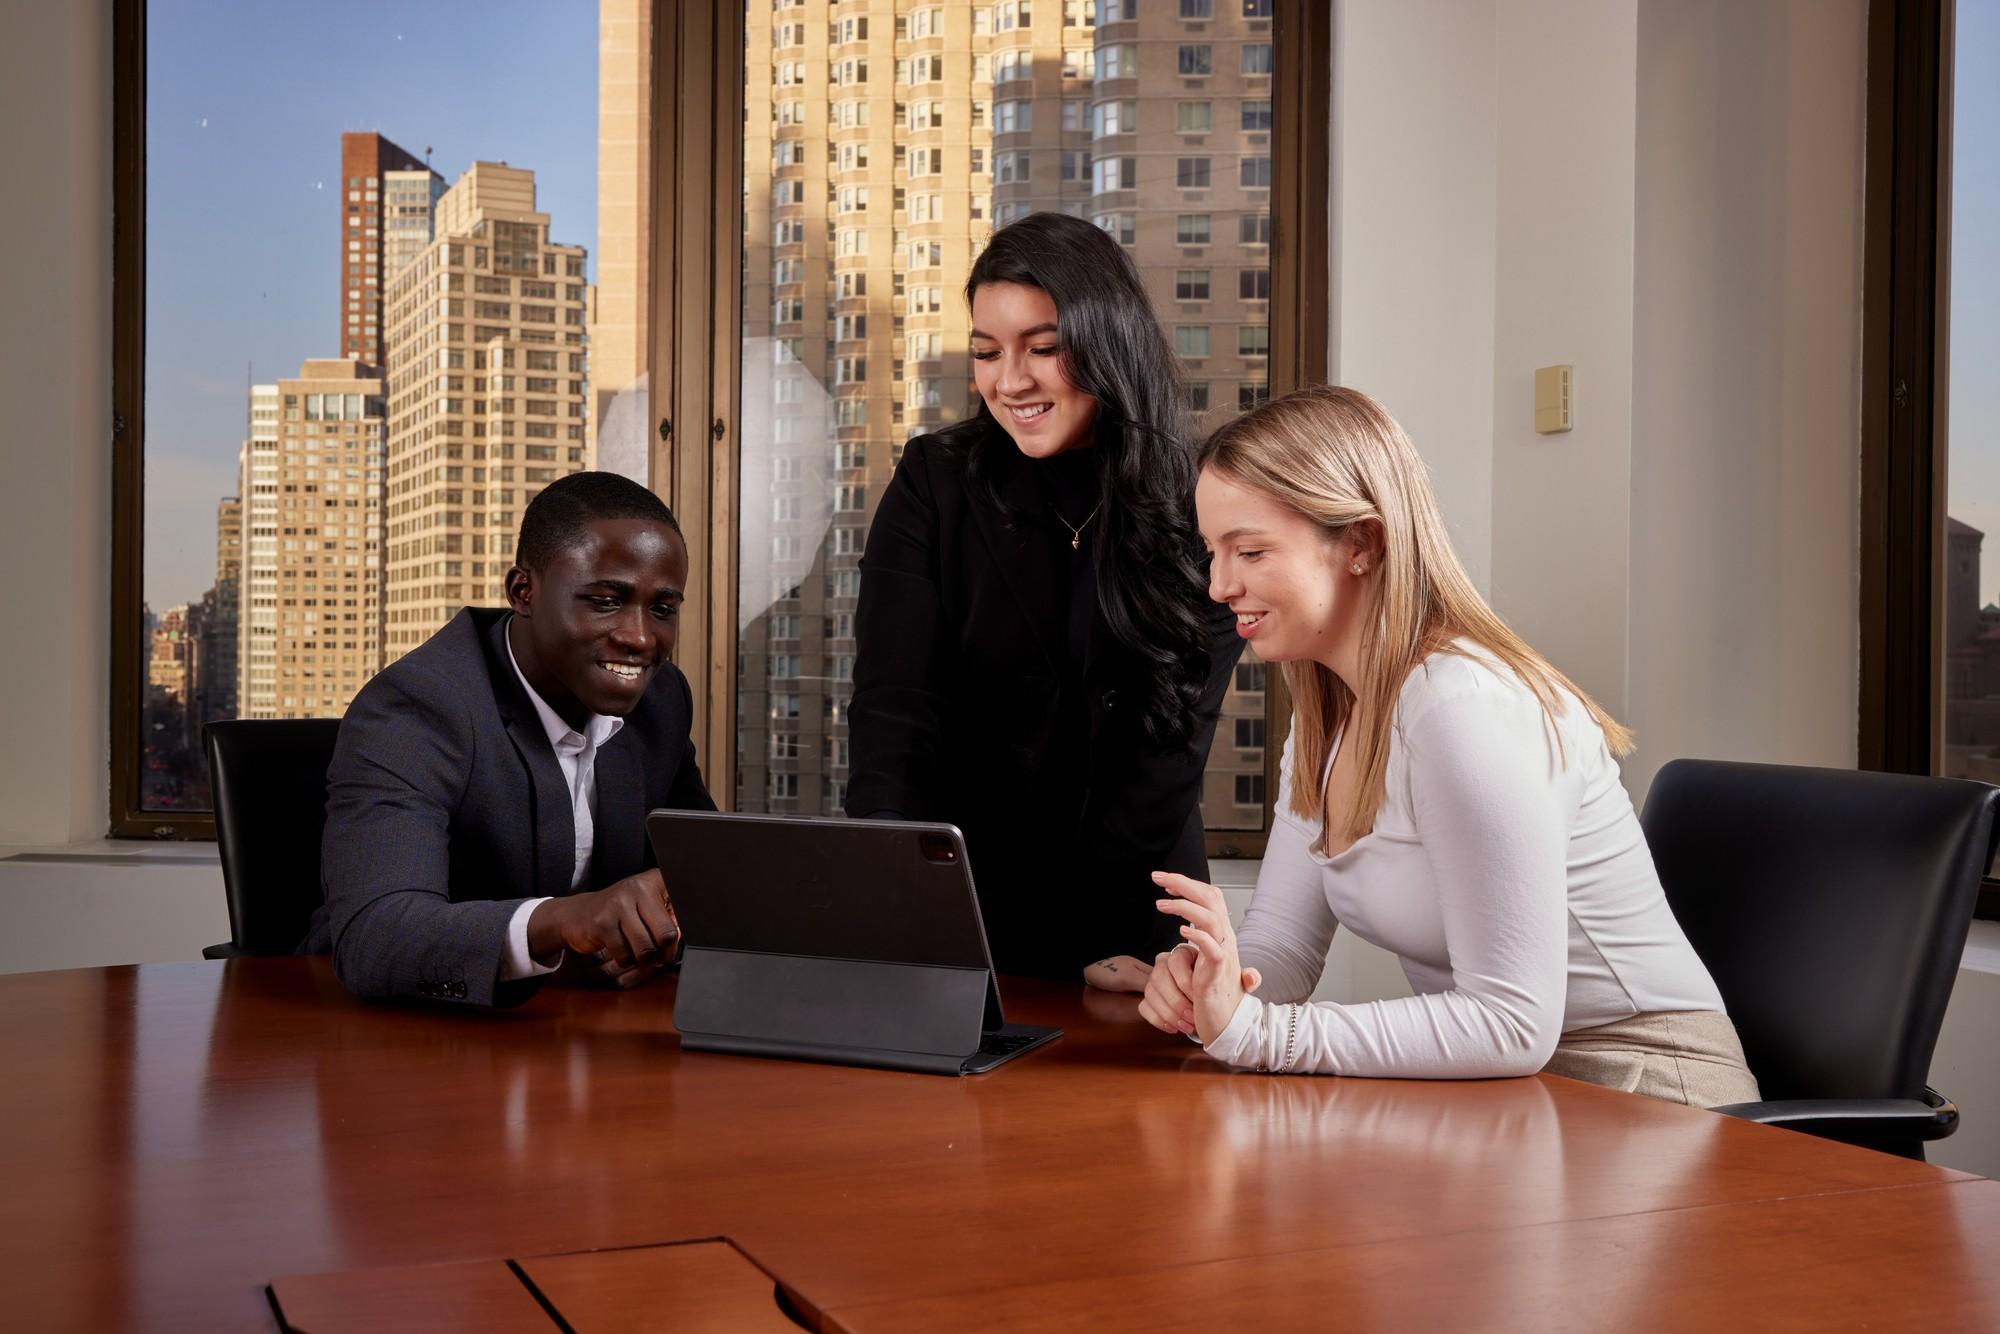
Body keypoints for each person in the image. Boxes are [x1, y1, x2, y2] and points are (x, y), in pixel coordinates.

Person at [1139, 386, 1760, 1107]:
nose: (1219, 585)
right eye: (1212, 552)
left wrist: (1261, 1034)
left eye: (1249, 551)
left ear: (1362, 544)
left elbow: (1511, 1021)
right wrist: (1211, 984)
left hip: (1644, 1090)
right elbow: (1284, 945)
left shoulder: (1463, 708)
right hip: (1512, 1094)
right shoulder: (1328, 716)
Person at [847, 212, 1243, 985]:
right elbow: (894, 709)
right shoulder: (934, 480)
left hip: (1135, 921)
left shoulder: (1199, 501)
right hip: (962, 907)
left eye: (1043, 347)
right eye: (987, 352)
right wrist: (889, 886)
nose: (1010, 381)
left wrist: (1090, 942)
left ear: (1108, 339)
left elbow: (1168, 749)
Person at [301, 471, 716, 1005]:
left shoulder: (661, 699)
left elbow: (706, 873)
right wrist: (559, 925)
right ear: (523, 592)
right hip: (395, 1021)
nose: (639, 637)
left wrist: (663, 923)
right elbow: (374, 939)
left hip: (583, 1021)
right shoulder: (418, 707)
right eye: (604, 601)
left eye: (662, 609)